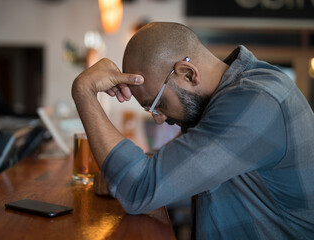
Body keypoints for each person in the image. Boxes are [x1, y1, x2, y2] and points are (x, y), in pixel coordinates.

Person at [71, 22, 314, 239]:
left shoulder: (256, 102)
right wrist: (122, 176)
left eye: (158, 105)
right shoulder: (230, 94)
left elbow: (138, 189)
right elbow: (165, 171)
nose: (158, 119)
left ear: (187, 74)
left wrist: (84, 91)